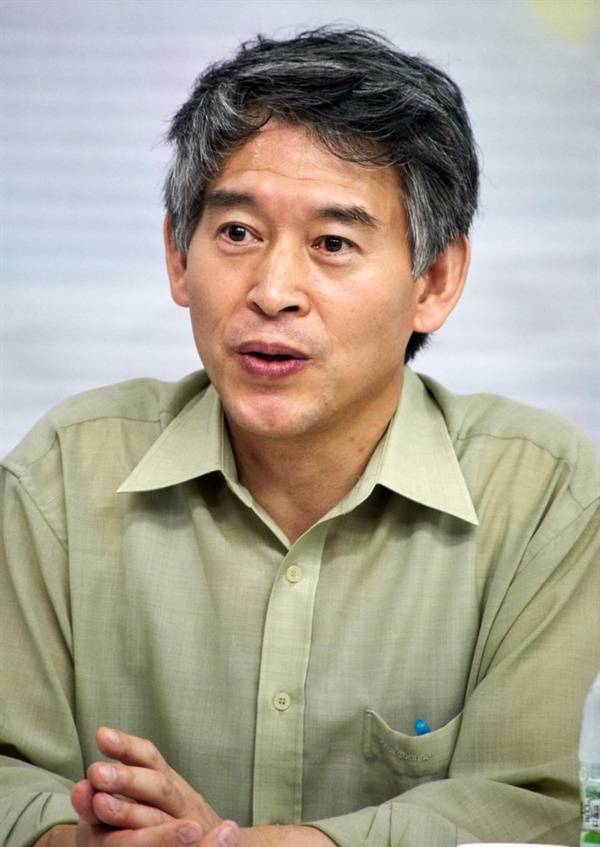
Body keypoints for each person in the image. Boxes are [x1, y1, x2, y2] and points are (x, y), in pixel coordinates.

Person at [1, 26, 598, 847]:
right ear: (178, 255)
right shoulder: (64, 472)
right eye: (237, 233)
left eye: (333, 243)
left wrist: (240, 845)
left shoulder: (543, 495)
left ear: (434, 280)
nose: (273, 290)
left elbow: (524, 810)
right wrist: (79, 840)